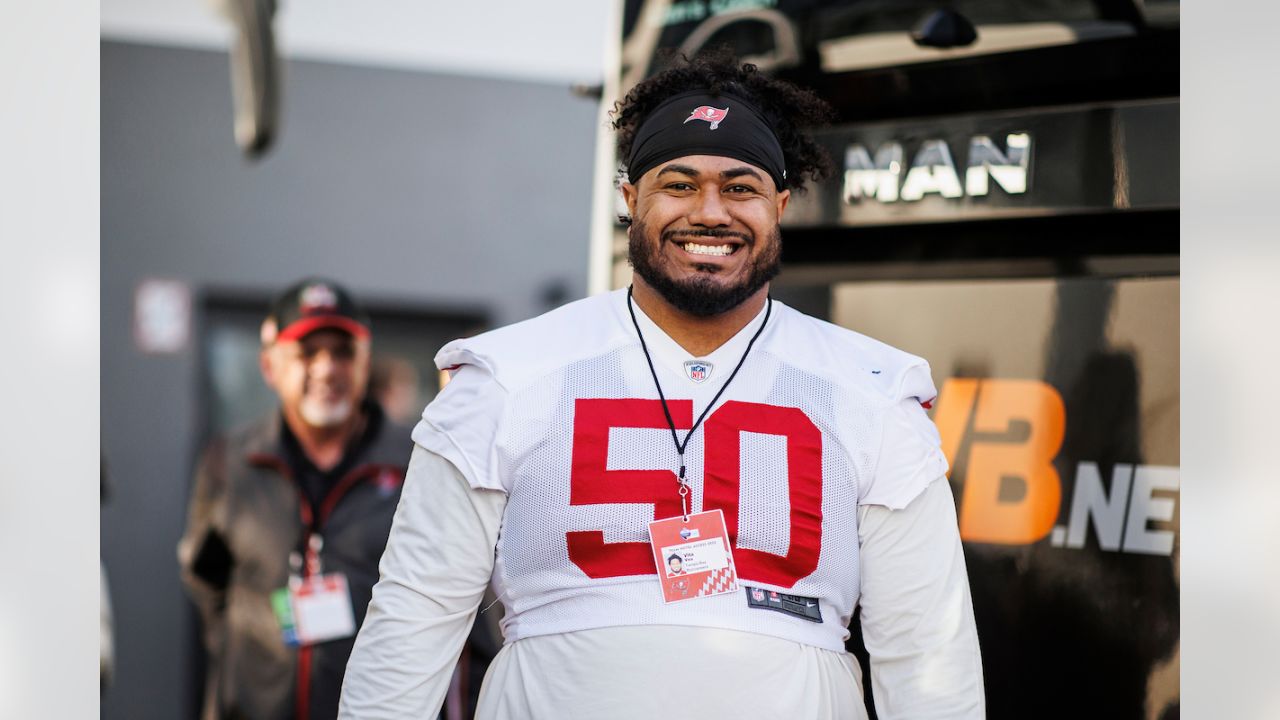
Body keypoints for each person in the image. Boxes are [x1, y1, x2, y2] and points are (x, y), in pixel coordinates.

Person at [340, 52, 985, 719]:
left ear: (780, 205)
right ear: (630, 200)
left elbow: (927, 651)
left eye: (741, 188)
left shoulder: (869, 391)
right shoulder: (509, 375)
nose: (711, 213)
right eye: (679, 184)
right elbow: (414, 617)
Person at [178, 278, 412, 720]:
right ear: (269, 367)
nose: (326, 369)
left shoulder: (414, 464)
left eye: (343, 352)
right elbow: (207, 584)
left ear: (364, 363)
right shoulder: (230, 461)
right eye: (307, 353)